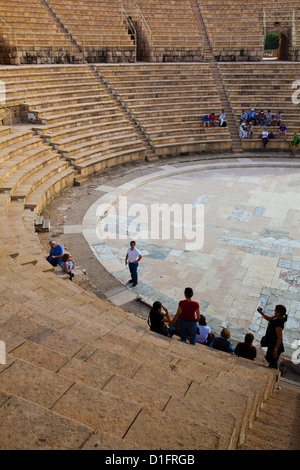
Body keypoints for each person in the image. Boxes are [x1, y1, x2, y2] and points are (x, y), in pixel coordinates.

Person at [257, 304, 288, 369]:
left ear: (278, 312)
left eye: (275, 310)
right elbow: (268, 318)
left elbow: (279, 338)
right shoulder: (275, 317)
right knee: (270, 358)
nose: (274, 311)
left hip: (275, 345)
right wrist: (261, 313)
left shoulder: (279, 323)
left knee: (273, 359)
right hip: (271, 343)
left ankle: (274, 372)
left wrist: (276, 349)